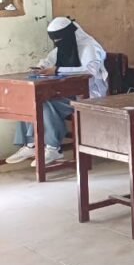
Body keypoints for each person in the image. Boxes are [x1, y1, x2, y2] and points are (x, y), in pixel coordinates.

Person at [6, 17, 108, 166]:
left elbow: (89, 70)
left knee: (46, 103)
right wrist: (41, 67)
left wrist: (58, 70)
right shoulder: (63, 46)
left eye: (59, 39)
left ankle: (53, 148)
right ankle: (31, 144)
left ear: (68, 34)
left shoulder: (89, 47)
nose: (57, 42)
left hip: (89, 95)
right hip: (67, 92)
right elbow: (49, 60)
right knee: (29, 100)